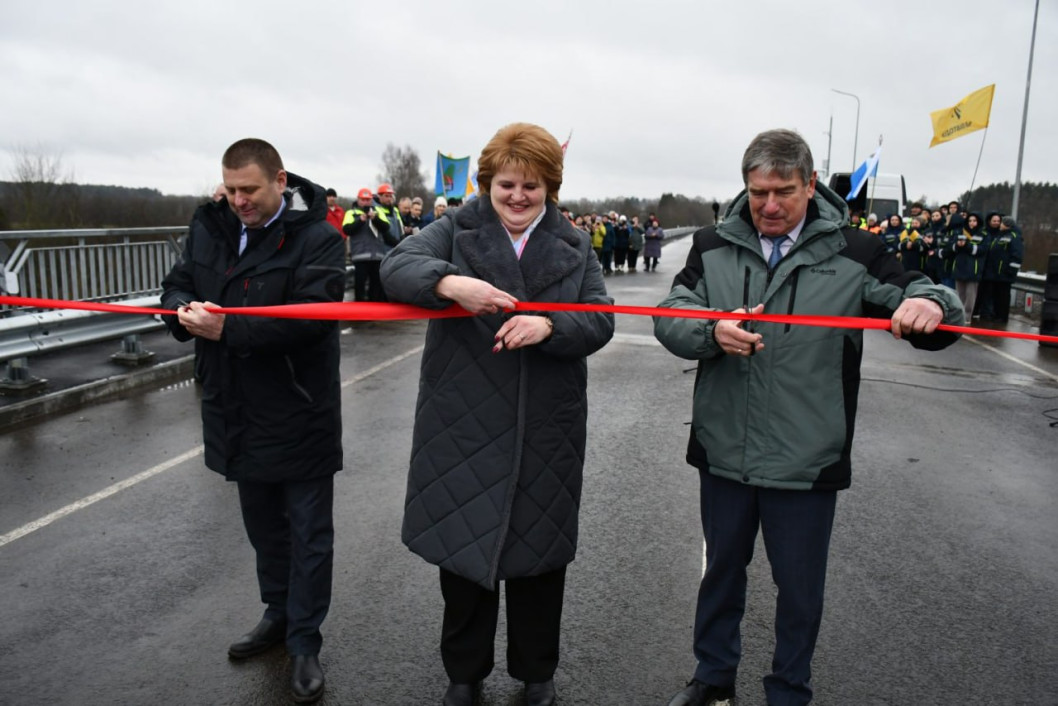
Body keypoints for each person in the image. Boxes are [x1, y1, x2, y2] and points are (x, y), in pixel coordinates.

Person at [653, 129, 963, 706]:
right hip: (724, 448)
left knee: (799, 589)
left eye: (783, 192)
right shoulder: (710, 244)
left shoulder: (856, 251)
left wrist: (931, 304)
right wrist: (711, 330)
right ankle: (712, 674)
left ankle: (789, 688)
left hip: (808, 454)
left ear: (811, 184)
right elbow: (669, 314)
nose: (768, 206)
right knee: (721, 574)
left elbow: (919, 296)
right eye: (757, 192)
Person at [380, 122, 614, 706]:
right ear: (487, 184)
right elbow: (396, 266)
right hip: (463, 419)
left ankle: (537, 673)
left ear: (549, 189)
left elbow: (602, 317)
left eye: (530, 187)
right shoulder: (455, 230)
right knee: (463, 558)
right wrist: (454, 283)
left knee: (540, 560)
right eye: (506, 184)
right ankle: (465, 674)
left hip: (546, 424)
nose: (517, 196)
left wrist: (551, 324)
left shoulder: (575, 244)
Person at [160, 138, 346, 704]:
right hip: (232, 404)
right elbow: (179, 283)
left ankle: (305, 642)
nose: (238, 200)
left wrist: (227, 330)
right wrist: (182, 313)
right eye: (231, 189)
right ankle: (277, 614)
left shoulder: (320, 238)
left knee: (308, 533)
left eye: (249, 190)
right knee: (263, 527)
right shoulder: (210, 227)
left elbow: (312, 321)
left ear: (279, 181)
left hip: (298, 408)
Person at [342, 187, 396, 302]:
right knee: (360, 285)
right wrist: (360, 220)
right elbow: (346, 230)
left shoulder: (378, 211)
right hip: (360, 256)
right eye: (363, 199)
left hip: (377, 255)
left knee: (376, 285)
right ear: (358, 199)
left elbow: (386, 227)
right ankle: (359, 310)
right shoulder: (351, 213)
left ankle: (374, 311)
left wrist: (375, 218)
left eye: (368, 200)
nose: (366, 202)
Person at [945, 212, 985, 321]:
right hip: (959, 266)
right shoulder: (960, 232)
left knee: (970, 295)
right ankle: (958, 316)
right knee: (959, 294)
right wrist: (958, 245)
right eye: (970, 221)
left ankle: (967, 317)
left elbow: (982, 250)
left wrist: (967, 246)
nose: (972, 223)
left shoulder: (983, 234)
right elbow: (950, 248)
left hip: (974, 268)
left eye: (974, 221)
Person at [374, 183, 404, 250]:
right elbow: (384, 232)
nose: (389, 199)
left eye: (390, 196)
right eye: (386, 196)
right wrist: (397, 243)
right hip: (382, 249)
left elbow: (400, 228)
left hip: (396, 247)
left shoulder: (395, 210)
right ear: (379, 196)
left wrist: (402, 241)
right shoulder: (376, 210)